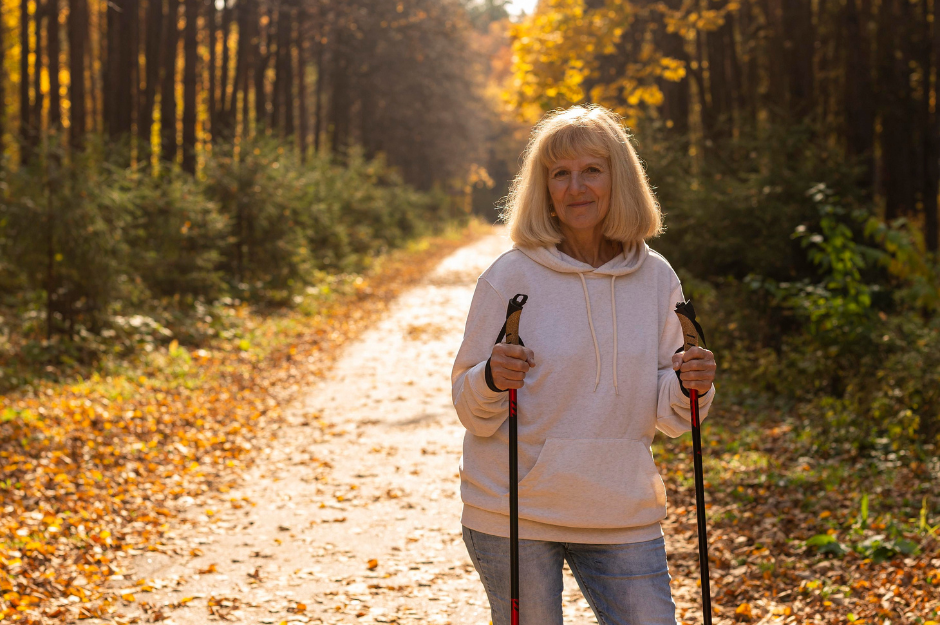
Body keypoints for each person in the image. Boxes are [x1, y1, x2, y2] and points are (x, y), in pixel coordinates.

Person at [450, 104, 718, 625]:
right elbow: (470, 406)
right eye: (560, 174)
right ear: (544, 188)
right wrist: (489, 378)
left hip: (621, 509)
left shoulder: (657, 278)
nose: (577, 188)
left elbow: (675, 413)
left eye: (592, 170)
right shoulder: (510, 278)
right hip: (514, 510)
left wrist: (693, 384)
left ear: (618, 178)